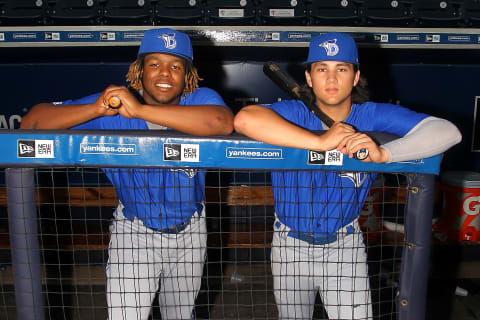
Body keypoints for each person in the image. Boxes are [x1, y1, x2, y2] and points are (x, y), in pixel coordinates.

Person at [234, 32, 461, 319]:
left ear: (355, 77)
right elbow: (243, 119)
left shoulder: (371, 116)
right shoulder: (292, 113)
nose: (331, 80)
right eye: (322, 69)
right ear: (309, 77)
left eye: (341, 69)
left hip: (344, 247)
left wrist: (383, 154)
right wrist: (320, 142)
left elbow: (448, 132)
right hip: (289, 246)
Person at [21, 28, 234, 320]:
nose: (165, 73)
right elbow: (31, 123)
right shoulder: (113, 105)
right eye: (155, 64)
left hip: (190, 233)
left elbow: (222, 123)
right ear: (138, 70)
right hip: (134, 234)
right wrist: (96, 108)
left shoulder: (200, 99)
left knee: (181, 316)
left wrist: (141, 111)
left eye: (176, 66)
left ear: (187, 76)